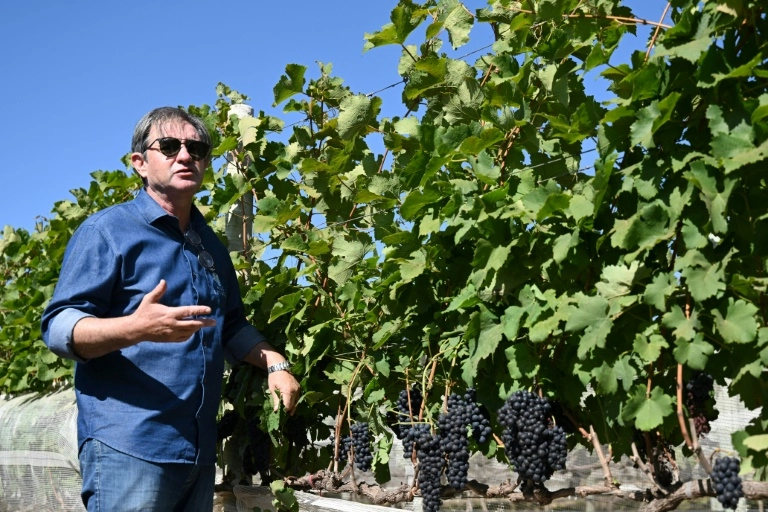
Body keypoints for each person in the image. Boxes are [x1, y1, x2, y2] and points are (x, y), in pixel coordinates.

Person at [41, 106, 301, 511]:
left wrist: (274, 361)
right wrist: (135, 327)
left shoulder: (210, 246)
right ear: (140, 163)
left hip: (198, 453)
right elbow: (59, 327)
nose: (185, 156)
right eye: (168, 146)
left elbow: (231, 326)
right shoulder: (108, 232)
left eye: (196, 149)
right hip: (130, 447)